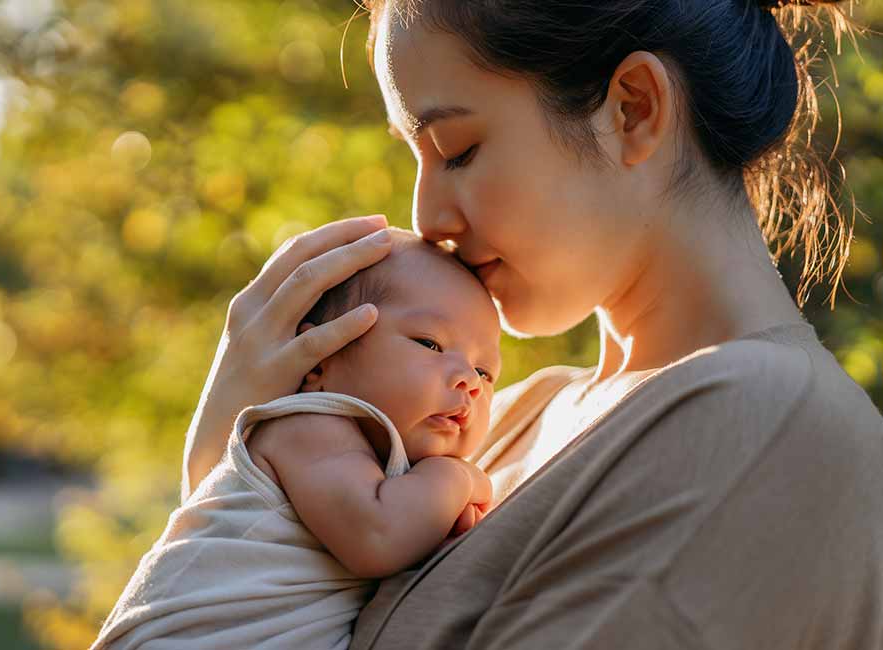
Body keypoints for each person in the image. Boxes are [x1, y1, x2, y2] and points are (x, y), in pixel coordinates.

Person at [180, 0, 883, 647]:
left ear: (633, 110)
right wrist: (226, 456)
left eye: (458, 150)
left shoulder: (764, 422)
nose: (427, 218)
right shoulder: (514, 412)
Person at [94, 230, 496, 649]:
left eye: (486, 373)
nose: (469, 381)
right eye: (431, 343)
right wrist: (456, 480)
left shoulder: (388, 472)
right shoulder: (305, 428)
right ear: (321, 359)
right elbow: (377, 536)